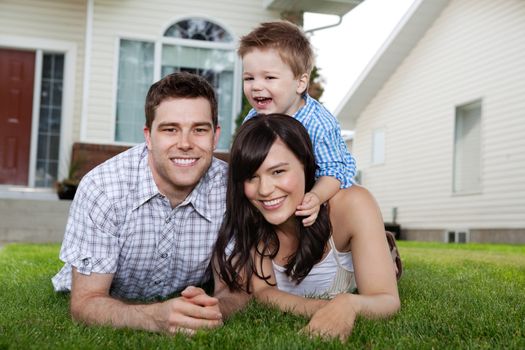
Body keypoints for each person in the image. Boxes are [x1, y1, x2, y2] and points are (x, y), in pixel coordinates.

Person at [52, 72, 247, 334]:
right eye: (170, 129)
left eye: (199, 130)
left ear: (215, 136)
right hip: (106, 287)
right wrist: (155, 317)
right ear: (148, 136)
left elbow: (235, 291)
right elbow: (86, 302)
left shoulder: (232, 190)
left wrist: (208, 311)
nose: (185, 144)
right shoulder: (103, 188)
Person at [214, 114, 400, 341]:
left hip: (352, 244)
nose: (264, 189)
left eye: (278, 171)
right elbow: (263, 292)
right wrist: (322, 308)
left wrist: (348, 303)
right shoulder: (251, 214)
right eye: (252, 176)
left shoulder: (352, 204)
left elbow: (386, 299)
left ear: (305, 164)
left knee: (384, 264)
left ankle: (385, 244)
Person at [239, 21, 356, 227]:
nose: (256, 86)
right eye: (249, 78)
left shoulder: (319, 124)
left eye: (269, 77)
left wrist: (316, 197)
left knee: (336, 207)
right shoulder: (254, 118)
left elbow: (334, 172)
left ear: (300, 83)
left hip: (323, 194)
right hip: (275, 197)